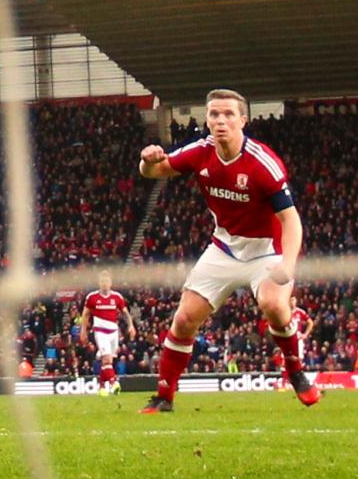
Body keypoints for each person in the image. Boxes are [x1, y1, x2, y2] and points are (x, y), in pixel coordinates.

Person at [135, 89, 315, 415]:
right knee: (185, 318)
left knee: (274, 304)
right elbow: (154, 172)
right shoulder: (200, 152)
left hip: (266, 251)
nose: (221, 121)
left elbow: (292, 220)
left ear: (243, 120)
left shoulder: (263, 164)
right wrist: (146, 162)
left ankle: (295, 371)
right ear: (207, 119)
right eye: (214, 114)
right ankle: (164, 396)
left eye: (228, 114)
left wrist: (288, 265)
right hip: (224, 247)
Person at [77, 268, 132, 395]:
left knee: (108, 362)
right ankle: (114, 383)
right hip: (100, 332)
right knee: (106, 360)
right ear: (99, 283)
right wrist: (83, 331)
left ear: (111, 283)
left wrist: (131, 326)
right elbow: (85, 315)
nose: (104, 283)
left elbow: (125, 312)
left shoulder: (117, 297)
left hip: (113, 333)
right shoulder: (92, 297)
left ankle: (101, 387)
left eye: (107, 281)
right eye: (102, 281)